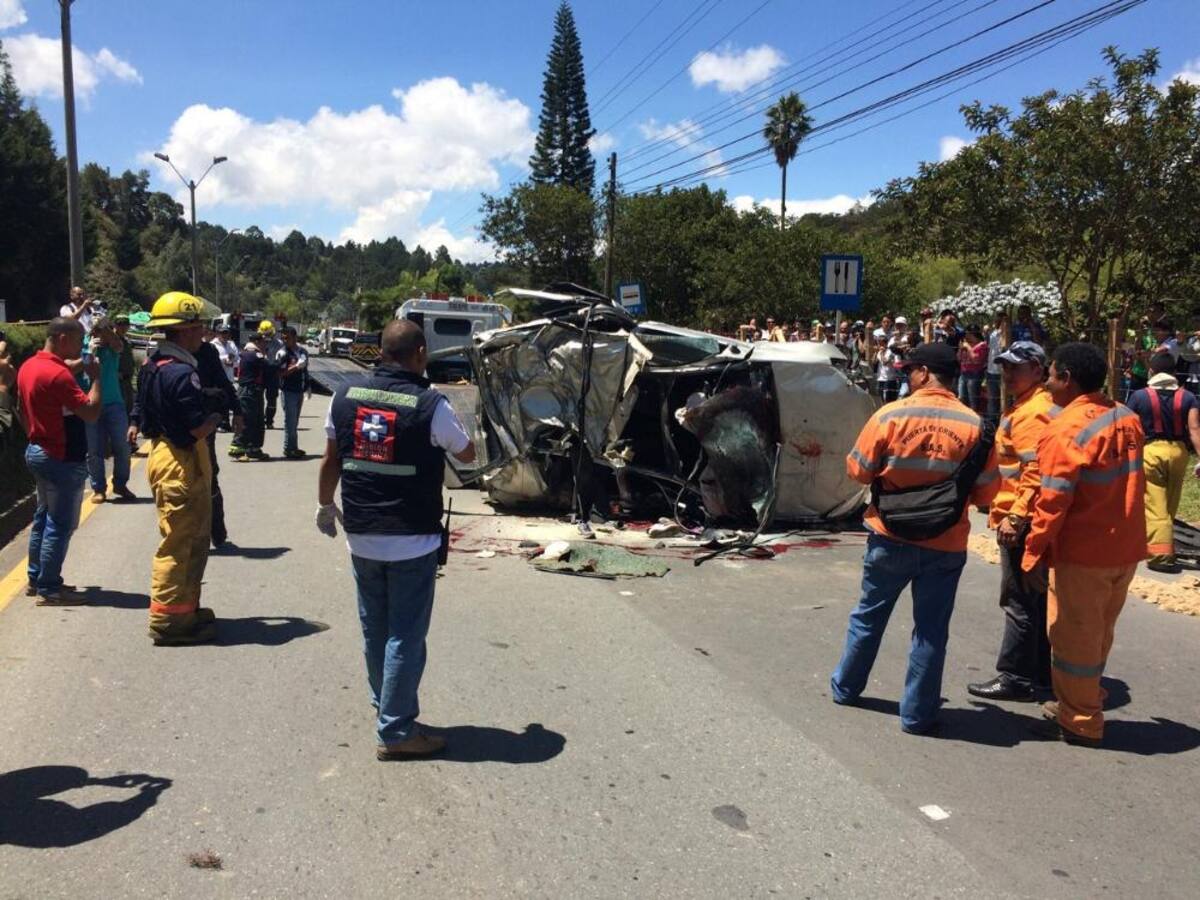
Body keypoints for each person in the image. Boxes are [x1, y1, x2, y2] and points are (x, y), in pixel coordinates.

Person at [317, 319, 476, 760]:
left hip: (362, 535)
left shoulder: (343, 397)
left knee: (376, 627)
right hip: (411, 539)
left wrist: (325, 505)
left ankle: (385, 705)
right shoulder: (431, 404)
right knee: (406, 634)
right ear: (421, 352)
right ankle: (397, 729)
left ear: (380, 353)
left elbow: (331, 461)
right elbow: (467, 453)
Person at [832, 342, 1000, 735]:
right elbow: (987, 494)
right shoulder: (977, 426)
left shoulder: (890, 415)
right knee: (930, 631)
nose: (907, 377)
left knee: (868, 617)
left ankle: (846, 688)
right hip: (946, 544)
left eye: (910, 371)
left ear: (924, 373)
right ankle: (918, 715)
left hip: (889, 537)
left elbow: (858, 470)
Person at [1021, 342, 1145, 747]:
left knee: (1073, 638)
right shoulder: (1126, 417)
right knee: (1099, 632)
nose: (1047, 383)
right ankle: (1086, 698)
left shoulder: (1065, 429)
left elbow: (1053, 500)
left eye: (1051, 375)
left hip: (1084, 554)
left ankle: (1080, 720)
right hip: (1124, 549)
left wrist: (1034, 552)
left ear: (1067, 379)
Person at [129, 292, 224, 645]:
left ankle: (184, 609)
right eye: (198, 328)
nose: (202, 334)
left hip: (165, 454)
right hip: (180, 460)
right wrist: (216, 416)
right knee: (179, 541)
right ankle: (167, 621)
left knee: (194, 538)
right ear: (183, 331)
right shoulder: (184, 373)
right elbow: (195, 428)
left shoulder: (153, 365)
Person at [967, 342, 1057, 702]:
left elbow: (1035, 470)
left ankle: (1015, 677)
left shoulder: (1033, 413)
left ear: (1038, 370)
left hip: (1022, 518)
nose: (1007, 373)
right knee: (1032, 598)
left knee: (1019, 599)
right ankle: (1040, 672)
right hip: (1025, 514)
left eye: (1016, 367)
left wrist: (1017, 516)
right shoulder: (1027, 406)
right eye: (1004, 367)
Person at [17, 318, 104, 604]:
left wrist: (80, 365)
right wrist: (96, 378)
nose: (81, 347)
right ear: (63, 338)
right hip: (61, 455)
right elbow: (90, 412)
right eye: (79, 341)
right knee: (60, 523)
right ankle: (50, 587)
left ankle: (36, 577)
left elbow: (56, 376)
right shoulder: (58, 376)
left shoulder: (30, 367)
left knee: (42, 518)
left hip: (38, 450)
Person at [1125, 352, 1200, 572]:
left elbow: (1129, 428)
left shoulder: (1139, 396)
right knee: (1170, 503)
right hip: (1179, 453)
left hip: (1151, 452)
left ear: (1151, 371)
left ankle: (1160, 557)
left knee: (1155, 505)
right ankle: (1164, 544)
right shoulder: (1187, 397)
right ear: (1175, 373)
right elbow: (1194, 429)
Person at [195, 328, 242, 548]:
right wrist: (136, 420)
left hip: (205, 425)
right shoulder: (166, 354)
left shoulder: (208, 352)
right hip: (174, 430)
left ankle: (217, 530)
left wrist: (237, 411)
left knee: (210, 475)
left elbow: (224, 382)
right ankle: (188, 535)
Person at [82, 317, 135, 504]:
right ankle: (98, 489)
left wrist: (104, 326)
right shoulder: (85, 347)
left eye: (102, 331)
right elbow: (83, 368)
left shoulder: (113, 347)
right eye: (96, 331)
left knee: (122, 446)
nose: (100, 334)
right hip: (91, 404)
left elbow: (118, 346)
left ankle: (120, 484)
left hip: (114, 403)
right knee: (94, 449)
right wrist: (90, 350)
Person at [230, 331, 269, 461]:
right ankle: (237, 448)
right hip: (249, 391)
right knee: (246, 419)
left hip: (254, 390)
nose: (265, 344)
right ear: (257, 342)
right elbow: (269, 367)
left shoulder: (245, 353)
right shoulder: (254, 354)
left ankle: (254, 449)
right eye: (264, 342)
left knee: (257, 421)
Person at [279, 326, 309, 458]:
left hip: (299, 390)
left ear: (295, 338)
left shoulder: (302, 351)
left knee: (295, 421)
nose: (285, 340)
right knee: (290, 421)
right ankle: (288, 448)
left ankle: (293, 447)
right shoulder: (282, 353)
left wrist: (308, 386)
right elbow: (281, 373)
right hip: (288, 391)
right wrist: (296, 367)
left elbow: (305, 369)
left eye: (288, 338)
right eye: (283, 338)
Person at [258, 321, 284, 429]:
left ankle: (269, 420)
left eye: (268, 334)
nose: (266, 337)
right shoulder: (257, 342)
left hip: (273, 374)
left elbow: (282, 358)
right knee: (257, 397)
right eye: (264, 335)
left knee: (272, 399)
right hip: (260, 373)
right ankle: (258, 419)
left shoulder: (279, 344)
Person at [957, 326, 988, 413]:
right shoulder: (965, 344)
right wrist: (960, 349)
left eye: (967, 333)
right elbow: (959, 359)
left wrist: (968, 348)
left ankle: (974, 419)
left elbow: (976, 360)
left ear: (973, 334)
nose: (965, 336)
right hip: (963, 374)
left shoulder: (982, 345)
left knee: (973, 400)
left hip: (974, 375)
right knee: (961, 398)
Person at [985, 312, 1008, 423]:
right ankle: (991, 423)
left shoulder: (1008, 335)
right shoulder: (993, 334)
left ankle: (1003, 421)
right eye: (997, 319)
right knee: (992, 399)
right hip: (991, 371)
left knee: (1005, 399)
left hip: (1003, 372)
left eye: (1001, 319)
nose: (998, 321)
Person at [112, 315, 136, 415]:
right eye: (120, 324)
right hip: (117, 380)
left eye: (126, 325)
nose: (123, 328)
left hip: (128, 379)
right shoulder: (112, 341)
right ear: (115, 325)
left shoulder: (127, 342)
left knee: (129, 406)